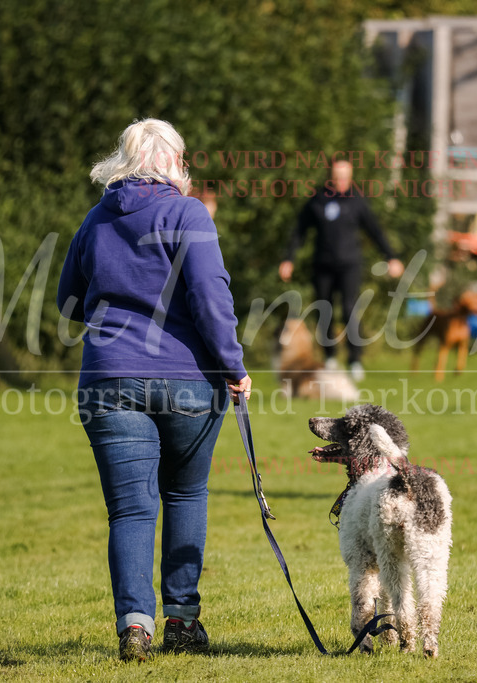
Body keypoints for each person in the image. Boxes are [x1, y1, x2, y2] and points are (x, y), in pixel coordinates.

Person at [57, 118, 252, 661]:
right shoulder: (188, 212)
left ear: (124, 161)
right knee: (185, 494)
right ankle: (182, 623)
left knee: (130, 511)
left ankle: (135, 626)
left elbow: (67, 303)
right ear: (174, 163)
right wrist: (233, 366)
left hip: (108, 379)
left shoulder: (95, 220)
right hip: (188, 378)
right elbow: (212, 298)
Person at [278, 160, 404, 381]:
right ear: (331, 177)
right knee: (324, 310)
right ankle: (330, 358)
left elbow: (375, 231)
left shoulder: (357, 201)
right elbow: (300, 231)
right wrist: (288, 259)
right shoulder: (318, 200)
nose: (341, 181)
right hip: (323, 265)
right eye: (337, 176)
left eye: (345, 176)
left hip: (349, 265)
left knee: (348, 309)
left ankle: (355, 360)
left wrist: (391, 256)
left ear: (351, 176)